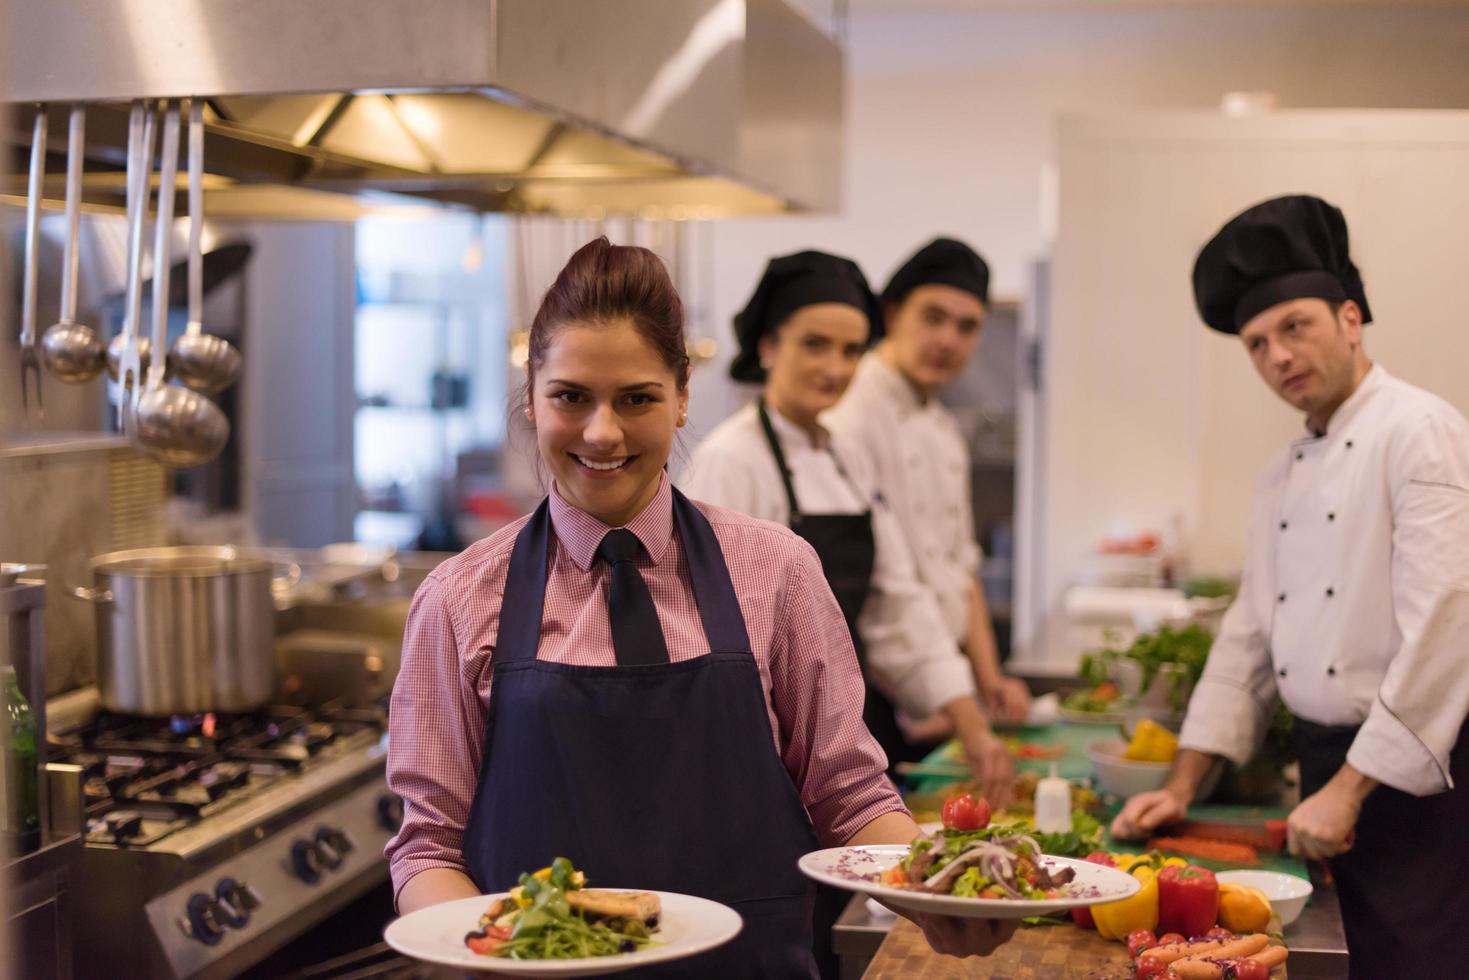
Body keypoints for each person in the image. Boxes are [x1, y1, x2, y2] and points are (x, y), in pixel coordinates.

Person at [385, 238, 1018, 977]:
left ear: (682, 396)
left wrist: (934, 893)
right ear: (531, 396)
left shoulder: (776, 571)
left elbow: (846, 791)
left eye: (637, 399)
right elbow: (427, 846)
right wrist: (493, 951)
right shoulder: (457, 600)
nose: (602, 432)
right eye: (570, 397)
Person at [1110, 195, 1469, 978]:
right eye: (1255, 343)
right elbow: (1247, 638)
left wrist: (1347, 790)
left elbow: (1445, 630)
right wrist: (1182, 782)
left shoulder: (1420, 431)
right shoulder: (1279, 475)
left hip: (1411, 780)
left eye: (1294, 326)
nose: (1276, 354)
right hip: (1323, 766)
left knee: (1413, 961)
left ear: (1349, 318)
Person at [680, 249, 1014, 801]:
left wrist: (970, 723)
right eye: (814, 344)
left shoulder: (844, 459)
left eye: (851, 350)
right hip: (759, 746)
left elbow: (895, 601)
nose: (835, 369)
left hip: (839, 733)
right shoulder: (732, 461)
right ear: (768, 347)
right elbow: (708, 633)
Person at [824, 238, 1031, 726]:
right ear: (893, 314)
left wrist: (989, 680)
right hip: (874, 698)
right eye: (933, 317)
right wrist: (944, 702)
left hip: (940, 690)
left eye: (967, 327)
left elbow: (964, 568)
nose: (948, 340)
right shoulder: (849, 416)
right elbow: (872, 593)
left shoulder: (943, 428)